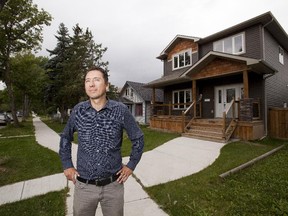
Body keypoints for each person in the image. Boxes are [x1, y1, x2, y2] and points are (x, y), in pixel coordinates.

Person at [59, 66, 144, 216]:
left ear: (106, 85)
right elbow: (66, 137)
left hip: (113, 186)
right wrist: (67, 165)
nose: (91, 84)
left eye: (96, 80)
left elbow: (138, 138)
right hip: (84, 186)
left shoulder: (121, 110)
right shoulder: (78, 111)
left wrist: (131, 165)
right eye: (87, 81)